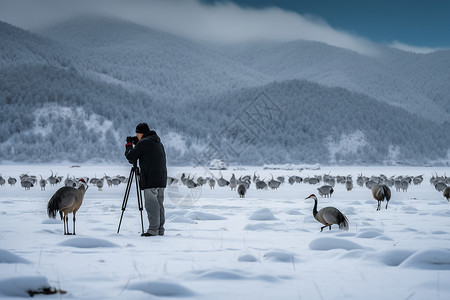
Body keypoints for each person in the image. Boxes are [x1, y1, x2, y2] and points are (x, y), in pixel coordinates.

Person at [125, 123, 167, 236]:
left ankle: (153, 230)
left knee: (151, 204)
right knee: (159, 203)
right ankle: (160, 229)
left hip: (150, 178)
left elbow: (130, 157)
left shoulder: (144, 142)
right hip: (161, 178)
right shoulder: (157, 142)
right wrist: (138, 143)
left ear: (140, 133)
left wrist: (129, 145)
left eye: (137, 134)